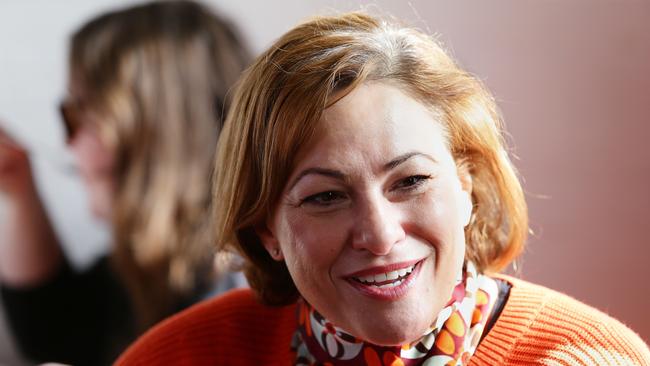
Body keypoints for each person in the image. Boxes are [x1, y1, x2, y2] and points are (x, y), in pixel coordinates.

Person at [115, 12, 650, 365]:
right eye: (325, 197)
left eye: (411, 181)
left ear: (466, 186)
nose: (379, 234)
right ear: (266, 229)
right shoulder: (185, 356)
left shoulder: (585, 356)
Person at [0, 1, 249, 365]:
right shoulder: (157, 266)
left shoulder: (235, 291)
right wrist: (16, 188)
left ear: (145, 130)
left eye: (74, 115)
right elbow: (56, 331)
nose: (69, 143)